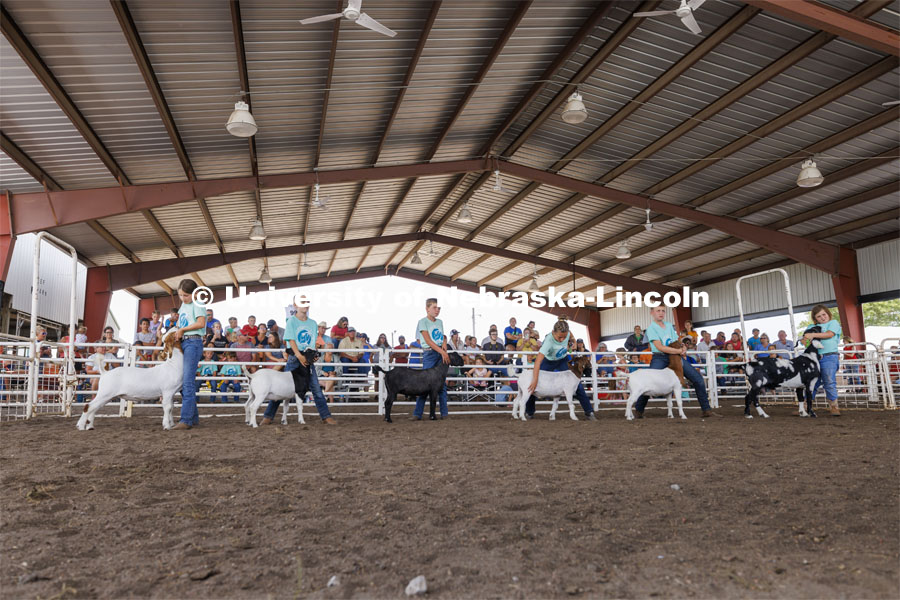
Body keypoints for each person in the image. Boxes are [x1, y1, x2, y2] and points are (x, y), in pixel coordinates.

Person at [630, 306, 717, 419]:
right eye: (658, 311)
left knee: (698, 379)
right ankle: (638, 411)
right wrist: (678, 351)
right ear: (652, 313)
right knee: (648, 381)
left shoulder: (669, 326)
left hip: (675, 356)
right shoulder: (651, 328)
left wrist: (683, 347)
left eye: (663, 311)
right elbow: (659, 347)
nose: (661, 313)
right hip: (660, 357)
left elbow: (676, 340)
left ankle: (706, 410)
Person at [261, 295, 336, 425]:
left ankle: (325, 415)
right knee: (282, 387)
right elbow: (291, 340)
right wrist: (299, 355)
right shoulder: (291, 321)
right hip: (294, 358)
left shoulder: (312, 323)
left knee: (316, 388)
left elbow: (312, 343)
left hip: (307, 359)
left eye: (307, 302)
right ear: (295, 305)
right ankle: (268, 415)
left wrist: (313, 355)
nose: (305, 304)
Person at [523, 317, 595, 420]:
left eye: (564, 337)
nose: (562, 340)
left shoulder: (568, 333)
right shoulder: (548, 341)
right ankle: (529, 412)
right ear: (553, 332)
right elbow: (538, 361)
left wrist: (573, 343)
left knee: (576, 384)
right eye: (559, 337)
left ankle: (589, 411)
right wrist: (534, 380)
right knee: (533, 385)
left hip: (563, 360)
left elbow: (572, 339)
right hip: (548, 361)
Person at [172, 279, 206, 429]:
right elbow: (181, 323)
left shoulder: (198, 304)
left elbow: (201, 323)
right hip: (185, 342)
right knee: (184, 381)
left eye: (186, 295)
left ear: (194, 294)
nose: (183, 298)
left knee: (187, 382)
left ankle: (186, 420)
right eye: (180, 295)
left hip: (193, 342)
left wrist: (182, 330)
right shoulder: (184, 306)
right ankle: (193, 417)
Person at [412, 297, 451, 420]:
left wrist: (444, 343)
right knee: (424, 384)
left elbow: (442, 336)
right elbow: (427, 340)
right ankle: (418, 413)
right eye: (434, 307)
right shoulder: (422, 322)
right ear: (427, 309)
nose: (437, 310)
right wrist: (443, 352)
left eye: (438, 308)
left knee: (441, 385)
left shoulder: (439, 322)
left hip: (439, 352)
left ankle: (444, 413)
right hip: (430, 353)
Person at [805, 304, 842, 416]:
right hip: (813, 357)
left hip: (829, 356)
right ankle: (806, 406)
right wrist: (806, 338)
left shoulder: (833, 323)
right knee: (811, 381)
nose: (822, 317)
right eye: (819, 316)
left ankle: (834, 406)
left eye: (824, 314)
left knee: (829, 380)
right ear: (815, 319)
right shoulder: (811, 326)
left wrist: (812, 335)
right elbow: (805, 340)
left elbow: (829, 334)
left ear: (828, 313)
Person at [316, 321, 337, 398]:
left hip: (325, 360)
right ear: (318, 328)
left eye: (324, 328)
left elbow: (330, 350)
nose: (323, 330)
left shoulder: (327, 338)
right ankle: (326, 397)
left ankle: (322, 396)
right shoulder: (313, 337)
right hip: (316, 360)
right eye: (322, 328)